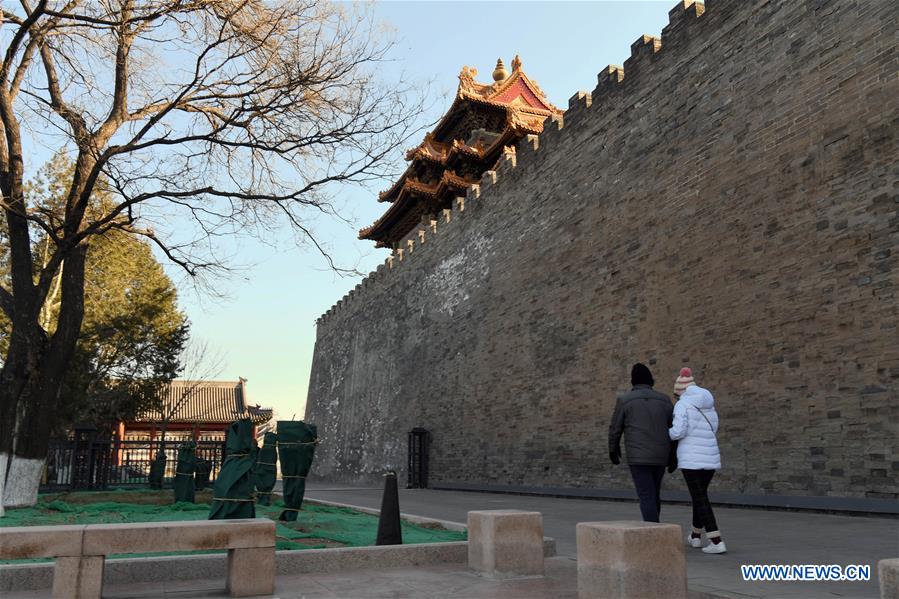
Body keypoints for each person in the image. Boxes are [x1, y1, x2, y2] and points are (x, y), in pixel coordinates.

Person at [669, 367, 727, 554]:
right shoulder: (708, 404)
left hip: (691, 458)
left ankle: (716, 540)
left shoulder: (682, 405)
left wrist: (667, 433)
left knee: (700, 498)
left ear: (680, 391)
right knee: (699, 497)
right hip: (710, 456)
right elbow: (714, 427)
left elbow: (679, 431)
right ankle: (695, 536)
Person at [608, 363, 674, 522]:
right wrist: (673, 456)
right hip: (660, 455)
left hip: (638, 456)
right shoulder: (665, 400)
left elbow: (615, 428)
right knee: (654, 493)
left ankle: (653, 531)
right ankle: (655, 526)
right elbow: (674, 429)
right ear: (651, 381)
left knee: (646, 495)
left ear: (633, 382)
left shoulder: (625, 400)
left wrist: (613, 449)